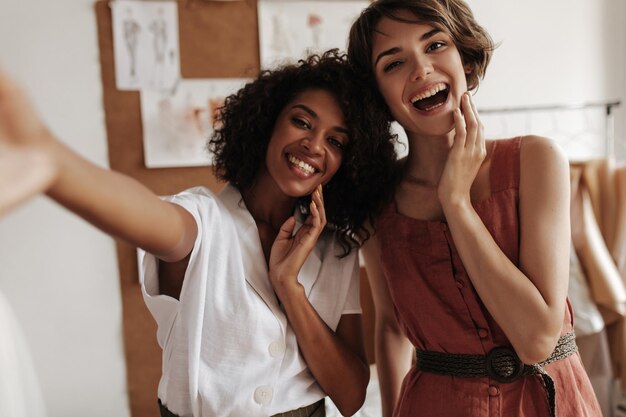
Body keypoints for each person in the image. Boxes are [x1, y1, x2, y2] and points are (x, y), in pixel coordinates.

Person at [0, 50, 398, 417]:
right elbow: (148, 216)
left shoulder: (335, 248)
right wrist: (53, 164)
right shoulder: (204, 219)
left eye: (335, 141)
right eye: (301, 121)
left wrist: (288, 287)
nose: (313, 145)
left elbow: (350, 397)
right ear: (267, 124)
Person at [347, 1, 603, 416]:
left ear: (465, 58)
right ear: (376, 94)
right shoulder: (378, 200)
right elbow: (392, 327)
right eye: (393, 64)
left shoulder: (536, 160)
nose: (421, 70)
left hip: (551, 400)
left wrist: (456, 203)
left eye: (435, 45)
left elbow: (538, 338)